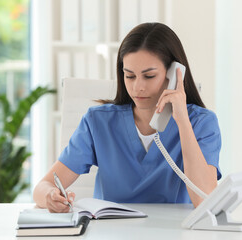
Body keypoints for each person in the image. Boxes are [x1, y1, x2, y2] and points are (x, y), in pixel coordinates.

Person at [33, 22, 222, 213]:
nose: (137, 87)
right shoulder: (98, 122)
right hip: (112, 231)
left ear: (174, 74)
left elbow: (205, 200)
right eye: (130, 76)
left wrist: (182, 121)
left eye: (149, 76)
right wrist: (50, 196)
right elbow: (43, 186)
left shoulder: (201, 123)